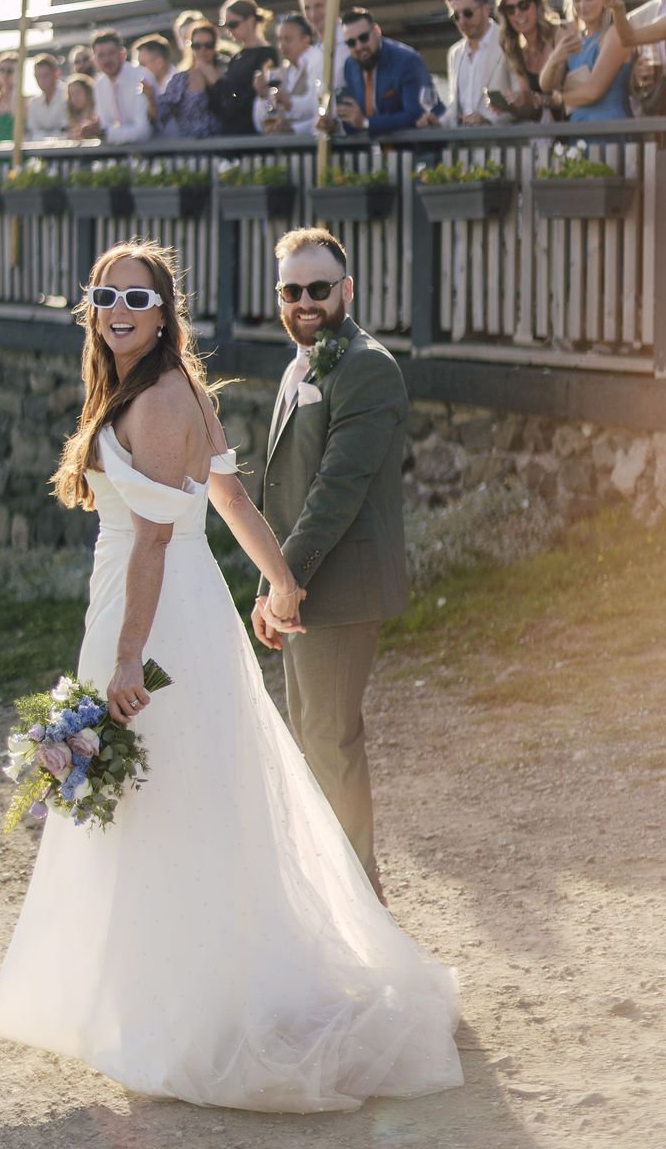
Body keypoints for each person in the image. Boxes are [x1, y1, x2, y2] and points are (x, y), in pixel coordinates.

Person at [0, 238, 462, 1112]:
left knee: (165, 792)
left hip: (154, 615)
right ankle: (147, 984)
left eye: (137, 300)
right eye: (104, 297)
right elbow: (233, 498)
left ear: (164, 315)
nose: (119, 311)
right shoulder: (159, 391)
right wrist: (280, 580)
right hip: (152, 607)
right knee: (179, 787)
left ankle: (183, 1001)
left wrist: (129, 658)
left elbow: (161, 537)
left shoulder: (164, 398)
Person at [255, 226, 409, 902]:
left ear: (347, 290)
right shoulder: (302, 363)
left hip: (339, 586)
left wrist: (284, 583)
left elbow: (335, 491)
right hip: (301, 584)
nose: (306, 301)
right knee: (314, 740)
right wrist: (273, 582)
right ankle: (340, 893)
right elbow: (284, 491)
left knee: (329, 740)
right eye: (293, 290)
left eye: (320, 288)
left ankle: (358, 895)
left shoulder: (366, 365)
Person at [538, 0, 632, 126]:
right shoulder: (576, 39)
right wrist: (555, 58)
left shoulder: (614, 33)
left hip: (610, 129)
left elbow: (593, 92)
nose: (583, 5)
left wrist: (557, 100)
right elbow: (546, 85)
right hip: (580, 130)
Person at [329, 7, 438, 136]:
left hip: (416, 149)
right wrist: (334, 125)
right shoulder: (350, 65)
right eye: (351, 43)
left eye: (364, 38)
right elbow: (356, 122)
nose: (359, 47)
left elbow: (415, 114)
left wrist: (366, 123)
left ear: (376, 31)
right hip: (374, 153)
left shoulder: (406, 60)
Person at [438, 0, 511, 126]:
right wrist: (437, 123)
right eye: (455, 16)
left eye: (468, 13)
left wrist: (488, 120)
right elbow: (456, 106)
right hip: (465, 143)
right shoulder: (455, 53)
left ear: (485, 9)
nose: (462, 21)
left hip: (502, 141)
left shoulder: (508, 43)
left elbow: (521, 100)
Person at [494, 0, 563, 121]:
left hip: (575, 122)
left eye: (523, 5)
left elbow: (563, 96)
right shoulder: (517, 51)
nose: (517, 13)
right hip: (548, 133)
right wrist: (510, 105)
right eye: (510, 9)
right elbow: (529, 108)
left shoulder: (560, 33)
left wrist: (535, 99)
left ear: (538, 5)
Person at [252, 12, 322, 134]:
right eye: (279, 39)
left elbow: (317, 107)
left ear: (306, 39)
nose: (282, 45)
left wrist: (289, 105)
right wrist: (263, 95)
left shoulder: (317, 61)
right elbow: (261, 124)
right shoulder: (283, 72)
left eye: (288, 39)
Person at [216, 0, 277, 135]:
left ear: (250, 21)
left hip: (251, 128)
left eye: (233, 24)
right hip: (231, 128)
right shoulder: (237, 56)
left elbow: (259, 94)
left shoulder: (266, 54)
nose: (229, 30)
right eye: (225, 25)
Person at [156, 22, 223, 138]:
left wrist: (217, 82)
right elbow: (161, 113)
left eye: (208, 45)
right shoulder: (180, 80)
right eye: (196, 46)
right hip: (191, 147)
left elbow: (234, 106)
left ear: (215, 47)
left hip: (224, 144)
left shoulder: (226, 73)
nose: (202, 50)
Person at [91, 29, 154, 143]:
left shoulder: (141, 77)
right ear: (94, 60)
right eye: (101, 55)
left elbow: (144, 132)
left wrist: (105, 133)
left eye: (111, 53)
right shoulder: (99, 84)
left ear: (123, 54)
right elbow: (105, 124)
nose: (106, 60)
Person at [298, 0, 347, 91]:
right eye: (307, 8)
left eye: (318, 6)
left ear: (333, 4)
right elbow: (313, 102)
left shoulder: (352, 42)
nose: (313, 14)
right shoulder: (312, 54)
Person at [25, 54, 67, 139]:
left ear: (56, 74)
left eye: (46, 76)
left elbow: (67, 129)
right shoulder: (34, 103)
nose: (42, 80)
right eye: (38, 76)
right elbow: (33, 133)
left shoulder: (68, 95)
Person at [65, 73, 98, 139]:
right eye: (72, 94)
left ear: (88, 92)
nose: (75, 98)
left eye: (78, 92)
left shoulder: (97, 113)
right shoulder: (70, 117)